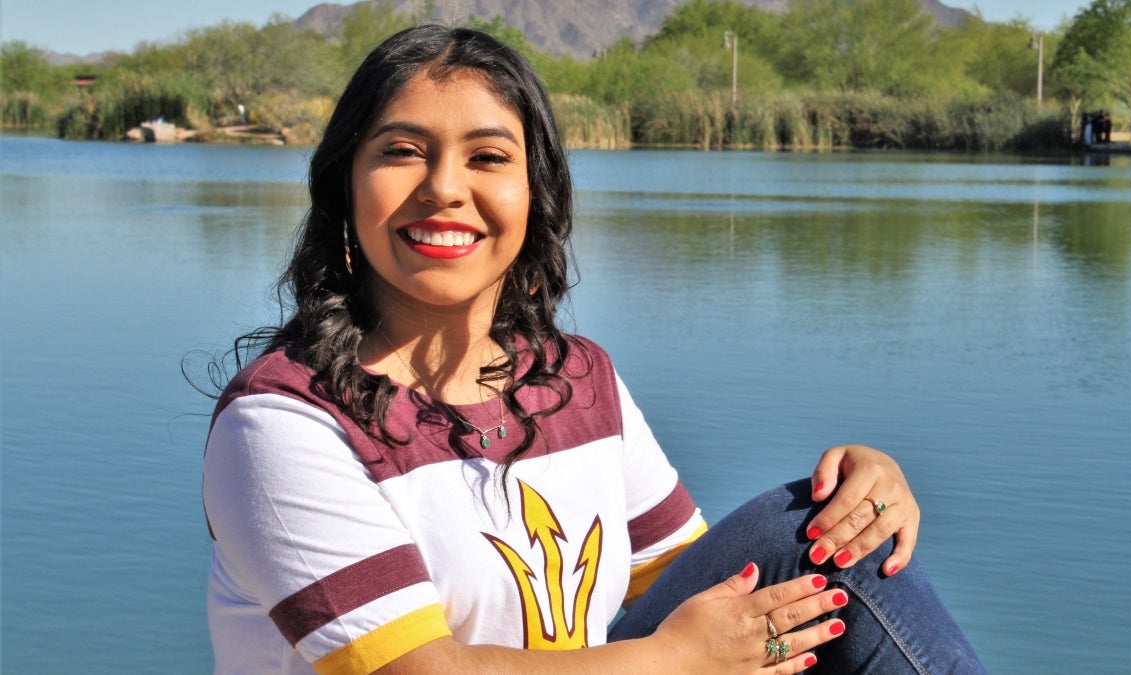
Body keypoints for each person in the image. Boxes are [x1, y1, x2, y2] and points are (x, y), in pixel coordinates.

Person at [202, 25, 985, 674]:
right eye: (403, 150)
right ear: (346, 187)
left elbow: (700, 589)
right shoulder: (281, 421)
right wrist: (674, 658)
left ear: (534, 196)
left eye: (487, 156)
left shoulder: (575, 379)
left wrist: (864, 490)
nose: (444, 188)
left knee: (817, 532)